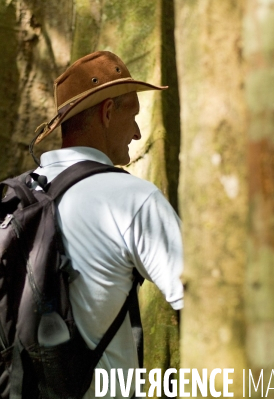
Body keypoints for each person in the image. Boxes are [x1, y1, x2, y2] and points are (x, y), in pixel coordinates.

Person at [29, 51, 184, 398]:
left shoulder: (20, 194)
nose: (137, 132)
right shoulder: (131, 197)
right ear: (108, 111)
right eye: (133, 116)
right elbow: (203, 303)